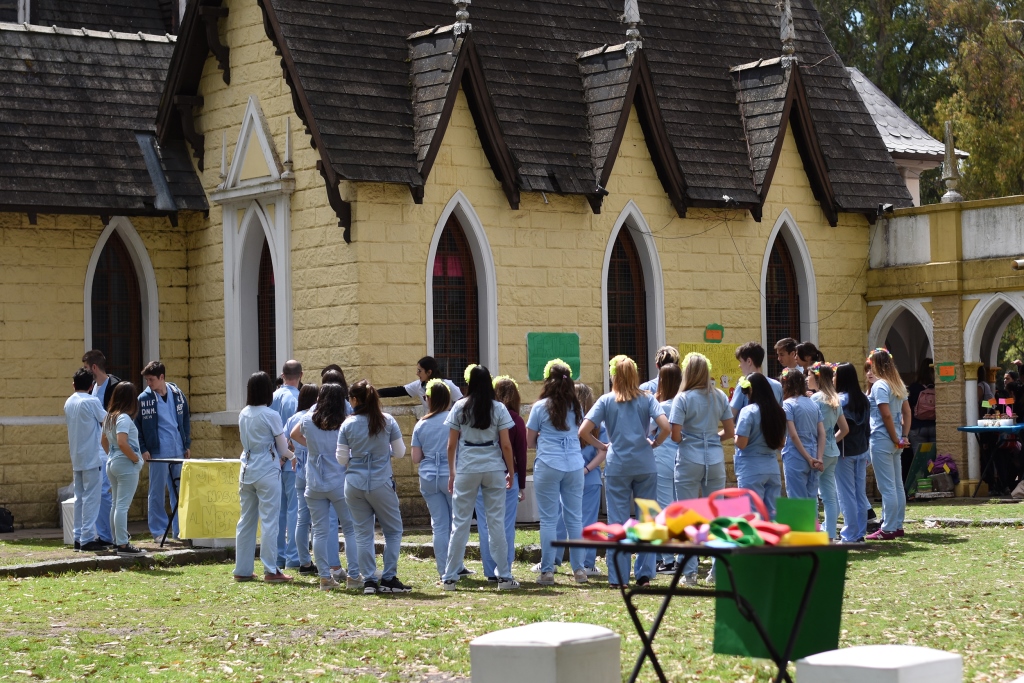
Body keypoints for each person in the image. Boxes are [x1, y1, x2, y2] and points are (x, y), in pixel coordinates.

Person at [580, 356, 669, 588]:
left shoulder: (606, 400)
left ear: (614, 376)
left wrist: (602, 446)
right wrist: (655, 442)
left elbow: (584, 430)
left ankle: (618, 577)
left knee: (617, 522)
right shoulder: (647, 399)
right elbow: (666, 426)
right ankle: (644, 575)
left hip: (617, 465)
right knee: (647, 520)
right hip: (645, 465)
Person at [442, 365, 520, 591]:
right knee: (496, 522)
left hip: (467, 467)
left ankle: (450, 576)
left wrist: (452, 472)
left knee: (460, 523)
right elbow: (506, 444)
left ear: (470, 384)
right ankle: (504, 576)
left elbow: (451, 445)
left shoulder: (459, 406)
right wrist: (511, 472)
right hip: (494, 468)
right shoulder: (499, 408)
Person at [338, 380, 411, 594]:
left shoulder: (347, 424)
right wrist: (382, 453)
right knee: (393, 530)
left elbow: (341, 459)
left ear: (354, 399)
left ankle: (369, 580)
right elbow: (399, 452)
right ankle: (389, 577)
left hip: (354, 484)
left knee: (363, 533)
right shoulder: (387, 421)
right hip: (381, 482)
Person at [669, 353, 734, 585]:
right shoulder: (719, 396)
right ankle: (717, 571)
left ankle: (689, 573)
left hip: (689, 457)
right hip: (715, 459)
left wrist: (689, 438)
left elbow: (675, 435)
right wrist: (712, 438)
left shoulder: (683, 398)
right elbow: (729, 431)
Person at [291, 383, 362, 591]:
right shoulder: (344, 422)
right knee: (350, 529)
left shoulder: (308, 420)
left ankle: (324, 577)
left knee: (319, 531)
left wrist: (311, 446)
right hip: (339, 480)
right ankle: (354, 575)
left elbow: (294, 434)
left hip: (314, 481)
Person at [528, 361, 588, 585]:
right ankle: (579, 571)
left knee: (548, 520)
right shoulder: (577, 407)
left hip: (548, 464)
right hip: (574, 465)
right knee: (575, 519)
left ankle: (547, 571)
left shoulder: (539, 407)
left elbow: (530, 440)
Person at [234, 371, 294, 583]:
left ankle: (242, 569)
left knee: (246, 520)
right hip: (267, 469)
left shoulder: (243, 413)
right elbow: (282, 447)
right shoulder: (270, 415)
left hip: (247, 467)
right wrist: (293, 456)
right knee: (270, 521)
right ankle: (271, 569)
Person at [478, 375, 526, 582]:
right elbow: (520, 453)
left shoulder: (483, 415)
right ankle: (504, 568)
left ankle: (489, 571)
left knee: (484, 523)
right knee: (506, 524)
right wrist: (521, 483)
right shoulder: (515, 419)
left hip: (481, 472)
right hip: (507, 474)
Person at [135, 361, 191, 541]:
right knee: (156, 491)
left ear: (162, 377)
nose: (148, 383)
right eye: (146, 380)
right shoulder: (144, 399)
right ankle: (158, 531)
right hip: (157, 451)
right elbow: (138, 426)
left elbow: (184, 420)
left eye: (151, 379)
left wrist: (186, 444)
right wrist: (143, 448)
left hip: (177, 448)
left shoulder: (177, 394)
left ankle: (179, 530)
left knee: (179, 491)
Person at [412, 380, 459, 579]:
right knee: (455, 523)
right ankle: (456, 566)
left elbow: (415, 458)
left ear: (430, 399)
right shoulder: (453, 419)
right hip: (451, 474)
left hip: (429, 475)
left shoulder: (421, 424)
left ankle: (444, 570)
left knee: (439, 525)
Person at [865, 349, 912, 541]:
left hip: (883, 439)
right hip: (895, 440)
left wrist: (895, 437)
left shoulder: (880, 385)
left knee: (887, 487)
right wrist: (904, 436)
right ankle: (897, 525)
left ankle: (888, 528)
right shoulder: (897, 384)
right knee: (897, 485)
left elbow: (885, 415)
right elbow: (907, 412)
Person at [64, 368, 109, 552]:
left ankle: (78, 537)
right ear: (91, 386)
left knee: (80, 498)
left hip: (77, 457)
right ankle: (88, 538)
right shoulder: (92, 401)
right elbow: (106, 421)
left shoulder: (69, 402)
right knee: (91, 499)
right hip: (92, 457)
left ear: (74, 384)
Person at [101, 382, 147, 557]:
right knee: (122, 505)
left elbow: (104, 441)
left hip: (112, 463)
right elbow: (122, 441)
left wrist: (113, 456)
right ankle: (122, 544)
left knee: (116, 504)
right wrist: (135, 458)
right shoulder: (124, 418)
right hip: (125, 464)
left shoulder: (109, 417)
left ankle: (117, 541)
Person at [733, 374, 786, 519]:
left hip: (751, 467)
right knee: (773, 513)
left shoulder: (748, 411)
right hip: (772, 467)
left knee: (751, 514)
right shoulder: (779, 412)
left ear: (751, 390)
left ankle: (755, 542)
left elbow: (741, 443)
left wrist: (734, 434)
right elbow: (781, 444)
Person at [82, 349, 119, 546]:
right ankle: (101, 533)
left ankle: (109, 535)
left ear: (94, 367)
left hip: (109, 445)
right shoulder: (90, 388)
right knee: (97, 491)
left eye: (87, 368)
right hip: (94, 447)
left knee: (107, 491)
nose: (86, 371)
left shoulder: (114, 386)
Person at [808, 363, 849, 540]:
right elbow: (845, 429)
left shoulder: (815, 399)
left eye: (808, 375)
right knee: (830, 496)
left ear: (816, 377)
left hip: (818, 452)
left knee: (812, 493)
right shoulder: (834, 399)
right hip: (833, 451)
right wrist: (832, 441)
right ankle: (830, 535)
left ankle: (814, 532)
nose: (806, 378)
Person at [286, 383, 321, 576]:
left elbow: (286, 441)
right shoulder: (314, 417)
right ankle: (320, 560)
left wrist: (293, 456)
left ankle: (304, 562)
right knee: (319, 519)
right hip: (315, 470)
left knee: (302, 518)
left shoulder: (293, 418)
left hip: (298, 469)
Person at [271, 360, 303, 571]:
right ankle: (293, 557)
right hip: (291, 460)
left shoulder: (272, 397)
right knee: (294, 510)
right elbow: (292, 433)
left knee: (278, 512)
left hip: (273, 461)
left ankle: (279, 556)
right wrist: (287, 456)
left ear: (282, 375)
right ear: (300, 375)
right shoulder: (297, 398)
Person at [834, 363, 870, 543]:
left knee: (846, 493)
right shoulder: (863, 398)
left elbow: (839, 427)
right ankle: (859, 532)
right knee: (859, 493)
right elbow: (867, 428)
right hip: (861, 450)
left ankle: (849, 534)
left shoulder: (838, 400)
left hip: (844, 452)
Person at [652, 363, 682, 574]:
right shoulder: (683, 404)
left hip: (662, 458)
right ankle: (683, 556)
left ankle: (668, 559)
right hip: (681, 459)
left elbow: (652, 430)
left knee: (663, 509)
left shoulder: (661, 407)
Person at [781, 368, 825, 498]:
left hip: (796, 456)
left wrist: (808, 458)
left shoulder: (787, 405)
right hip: (814, 454)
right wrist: (819, 458)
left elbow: (793, 435)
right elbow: (822, 433)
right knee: (811, 500)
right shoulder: (813, 404)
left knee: (797, 501)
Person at [575, 381, 604, 576]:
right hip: (590, 477)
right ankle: (588, 563)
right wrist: (587, 469)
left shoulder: (566, 422)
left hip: (568, 476)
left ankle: (554, 560)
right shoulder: (597, 424)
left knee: (565, 520)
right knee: (590, 522)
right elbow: (603, 451)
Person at [377, 356, 463, 408]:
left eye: (419, 371)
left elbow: (461, 404)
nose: (417, 373)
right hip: (430, 426)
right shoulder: (419, 385)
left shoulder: (448, 385)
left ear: (429, 372)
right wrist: (374, 393)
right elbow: (398, 391)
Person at [731, 341, 783, 418]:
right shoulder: (777, 385)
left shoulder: (744, 384)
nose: (739, 366)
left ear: (749, 361)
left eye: (740, 362)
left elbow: (730, 416)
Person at [906, 358, 936, 453]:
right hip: (935, 426)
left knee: (920, 459)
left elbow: (907, 408)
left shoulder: (913, 388)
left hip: (917, 427)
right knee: (936, 457)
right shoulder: (937, 387)